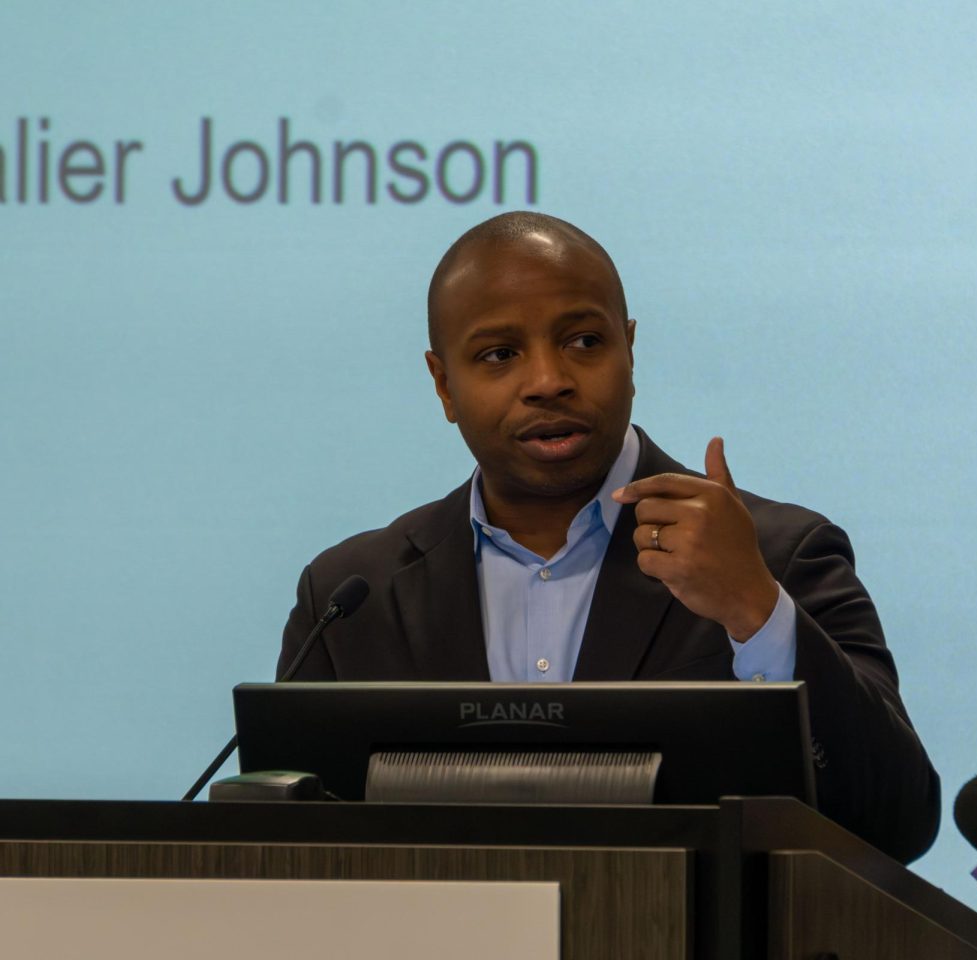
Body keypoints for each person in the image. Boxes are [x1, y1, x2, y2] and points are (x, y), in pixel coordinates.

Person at [279, 211, 940, 862]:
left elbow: (896, 822)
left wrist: (754, 611)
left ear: (629, 349)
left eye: (584, 342)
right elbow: (288, 855)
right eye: (499, 354)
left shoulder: (777, 556)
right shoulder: (350, 598)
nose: (549, 381)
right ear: (444, 384)